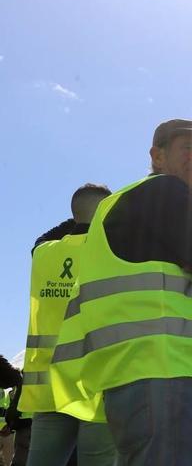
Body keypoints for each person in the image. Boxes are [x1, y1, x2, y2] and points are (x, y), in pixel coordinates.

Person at [49, 118, 192, 465]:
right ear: (157, 156)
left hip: (135, 371)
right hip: (164, 369)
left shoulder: (124, 201)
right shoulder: (164, 192)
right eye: (189, 148)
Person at [22, 183, 117, 466]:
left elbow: (43, 238)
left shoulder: (43, 253)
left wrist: (78, 219)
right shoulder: (112, 252)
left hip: (50, 386)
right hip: (95, 386)